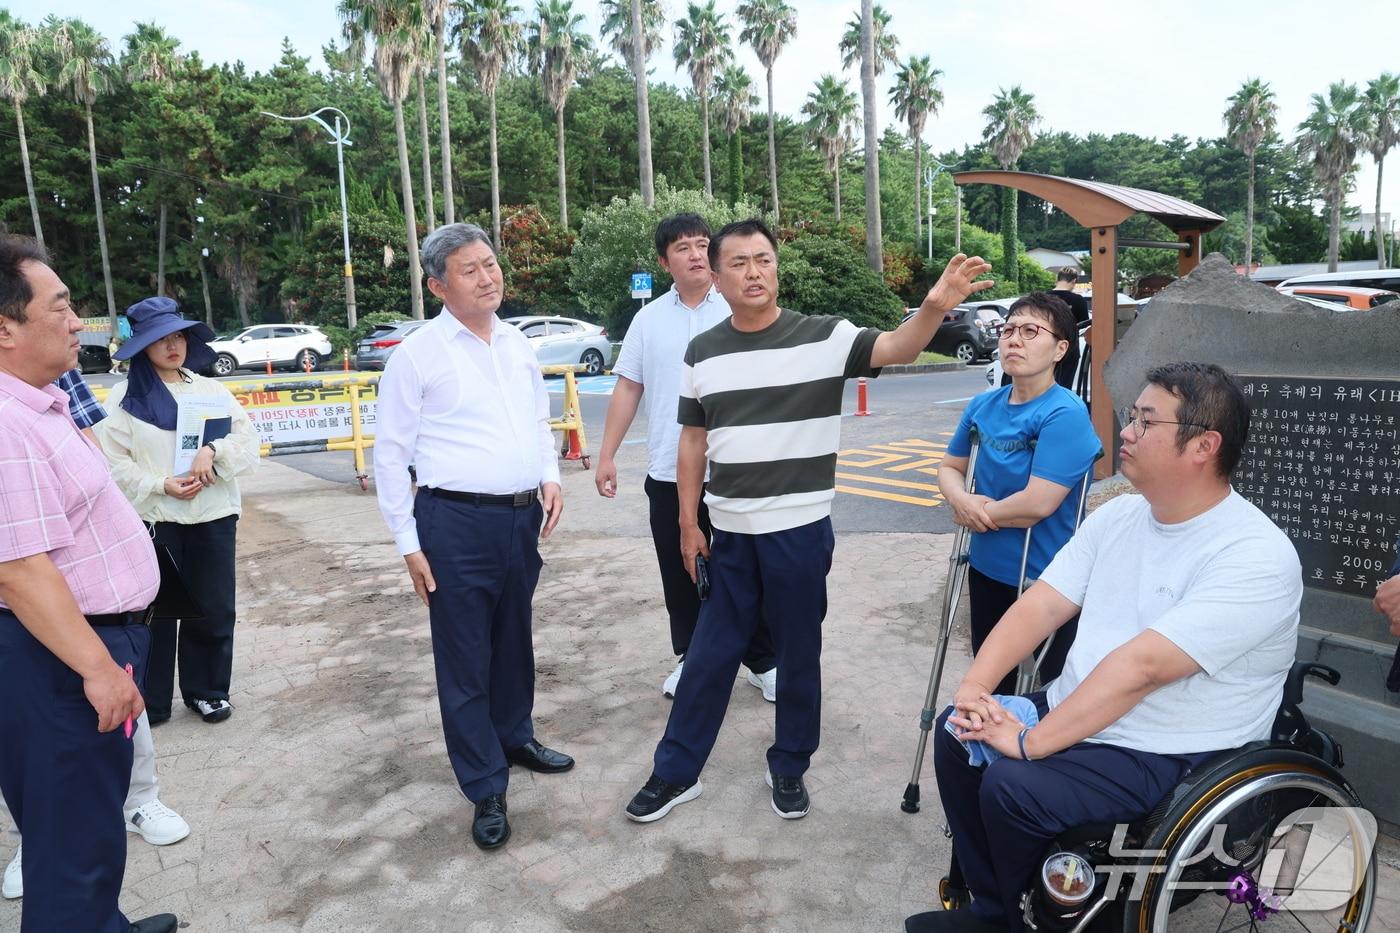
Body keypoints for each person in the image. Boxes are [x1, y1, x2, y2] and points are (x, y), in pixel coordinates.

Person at [907, 362, 1302, 933]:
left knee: (1014, 785)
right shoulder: (1119, 515)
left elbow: (1142, 668)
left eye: (1146, 421)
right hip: (1085, 709)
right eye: (1131, 417)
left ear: (1203, 445)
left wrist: (1029, 741)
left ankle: (1039, 914)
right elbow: (1043, 603)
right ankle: (996, 911)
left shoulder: (1254, 554)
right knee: (956, 730)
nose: (1128, 432)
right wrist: (975, 691)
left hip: (1173, 746)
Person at [624, 219, 994, 824]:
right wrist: (689, 524)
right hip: (730, 536)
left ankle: (790, 764)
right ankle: (676, 772)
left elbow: (896, 349)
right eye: (738, 262)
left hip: (798, 533)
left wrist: (933, 306)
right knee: (710, 655)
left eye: (763, 259)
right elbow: (692, 440)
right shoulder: (704, 350)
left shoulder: (824, 337)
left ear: (777, 267)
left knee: (798, 652)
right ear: (716, 276)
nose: (753, 272)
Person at [375, 222, 573, 852]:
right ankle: (484, 782)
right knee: (464, 656)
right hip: (453, 523)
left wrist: (548, 477)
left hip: (520, 519)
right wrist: (409, 542)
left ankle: (515, 737)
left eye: (491, 264)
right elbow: (390, 454)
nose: (488, 277)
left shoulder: (517, 343)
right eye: (470, 269)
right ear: (438, 284)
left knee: (514, 639)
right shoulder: (417, 355)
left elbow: (539, 423)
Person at [0, 234, 178, 932]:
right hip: (59, 662)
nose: (80, 323)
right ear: (5, 328)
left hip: (74, 650)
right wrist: (101, 671)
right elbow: (18, 569)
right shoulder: (7, 426)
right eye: (62, 307)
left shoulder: (38, 407)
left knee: (85, 829)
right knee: (72, 846)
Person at [596, 213, 777, 701]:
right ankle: (693, 659)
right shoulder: (648, 319)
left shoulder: (738, 307)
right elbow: (628, 386)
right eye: (683, 248)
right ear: (664, 261)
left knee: (745, 567)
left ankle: (763, 661)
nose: (696, 254)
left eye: (702, 245)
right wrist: (606, 454)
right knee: (682, 570)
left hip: (736, 471)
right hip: (667, 472)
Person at [96, 297, 260, 725]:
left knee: (213, 606)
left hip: (213, 515)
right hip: (156, 520)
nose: (173, 347)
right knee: (159, 612)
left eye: (178, 337)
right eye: (160, 340)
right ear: (142, 347)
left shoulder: (211, 390)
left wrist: (213, 451)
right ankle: (151, 699)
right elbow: (111, 462)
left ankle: (207, 691)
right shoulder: (122, 400)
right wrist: (159, 484)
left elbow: (247, 442)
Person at [937, 293, 1099, 695]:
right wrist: (960, 499)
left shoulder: (1066, 414)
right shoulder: (982, 406)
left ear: (1061, 348)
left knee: (1053, 685)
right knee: (993, 679)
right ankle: (993, 754)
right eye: (1008, 329)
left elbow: (1037, 505)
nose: (1014, 339)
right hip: (987, 568)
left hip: (1046, 578)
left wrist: (974, 511)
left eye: (1031, 331)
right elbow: (949, 468)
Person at [1047, 268, 1089, 391]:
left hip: (1045, 348)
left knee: (1042, 386)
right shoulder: (1078, 300)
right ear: (1074, 281)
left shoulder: (1043, 298)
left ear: (1057, 279)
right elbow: (1084, 324)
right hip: (1070, 350)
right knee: (1064, 387)